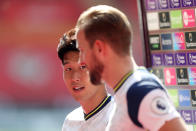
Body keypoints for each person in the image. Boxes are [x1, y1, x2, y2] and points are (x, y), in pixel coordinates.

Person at [76, 5, 187, 131]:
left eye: (82, 51)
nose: (81, 61)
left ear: (99, 48)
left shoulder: (141, 91)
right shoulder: (127, 91)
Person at [57, 29, 114, 131]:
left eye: (83, 67)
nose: (74, 78)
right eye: (68, 69)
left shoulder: (120, 116)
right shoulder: (70, 121)